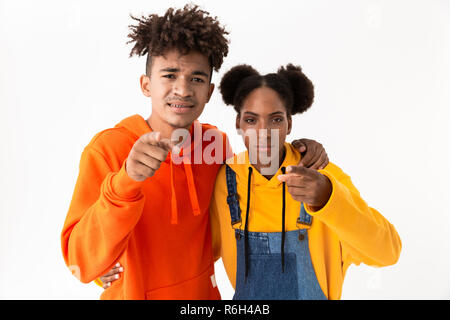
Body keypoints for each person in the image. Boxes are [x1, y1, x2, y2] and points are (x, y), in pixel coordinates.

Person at [60, 5, 329, 300]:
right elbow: (80, 264)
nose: (184, 90)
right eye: (170, 75)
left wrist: (299, 149)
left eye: (197, 79)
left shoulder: (215, 145)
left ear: (210, 92)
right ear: (146, 85)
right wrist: (126, 181)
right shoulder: (108, 149)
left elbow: (252, 192)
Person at [208, 64, 402, 299]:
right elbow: (198, 254)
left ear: (289, 124)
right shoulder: (226, 181)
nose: (263, 132)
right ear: (238, 124)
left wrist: (328, 199)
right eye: (251, 120)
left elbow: (387, 252)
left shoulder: (322, 175)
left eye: (276, 119)